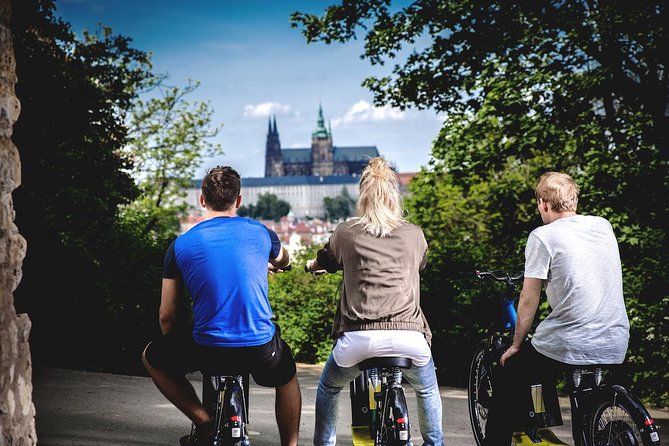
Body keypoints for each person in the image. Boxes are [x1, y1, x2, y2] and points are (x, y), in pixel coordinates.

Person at [141, 166, 301, 446]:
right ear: (238, 201)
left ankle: (203, 421)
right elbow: (284, 260)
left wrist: (175, 349)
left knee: (151, 357)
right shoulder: (262, 233)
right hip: (260, 344)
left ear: (202, 200)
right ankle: (291, 444)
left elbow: (167, 314)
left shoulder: (180, 245)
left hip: (207, 344)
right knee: (286, 376)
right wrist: (273, 263)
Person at [483, 171, 630, 445]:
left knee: (512, 370)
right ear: (573, 201)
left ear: (543, 203)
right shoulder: (602, 225)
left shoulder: (542, 236)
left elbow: (529, 297)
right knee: (584, 401)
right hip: (615, 337)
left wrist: (516, 344)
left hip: (571, 341)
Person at [306, 157, 444, 446]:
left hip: (359, 338)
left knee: (329, 388)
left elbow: (325, 260)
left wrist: (311, 266)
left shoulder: (346, 233)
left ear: (363, 196)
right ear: (394, 196)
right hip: (410, 336)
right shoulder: (414, 234)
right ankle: (435, 444)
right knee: (427, 390)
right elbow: (422, 263)